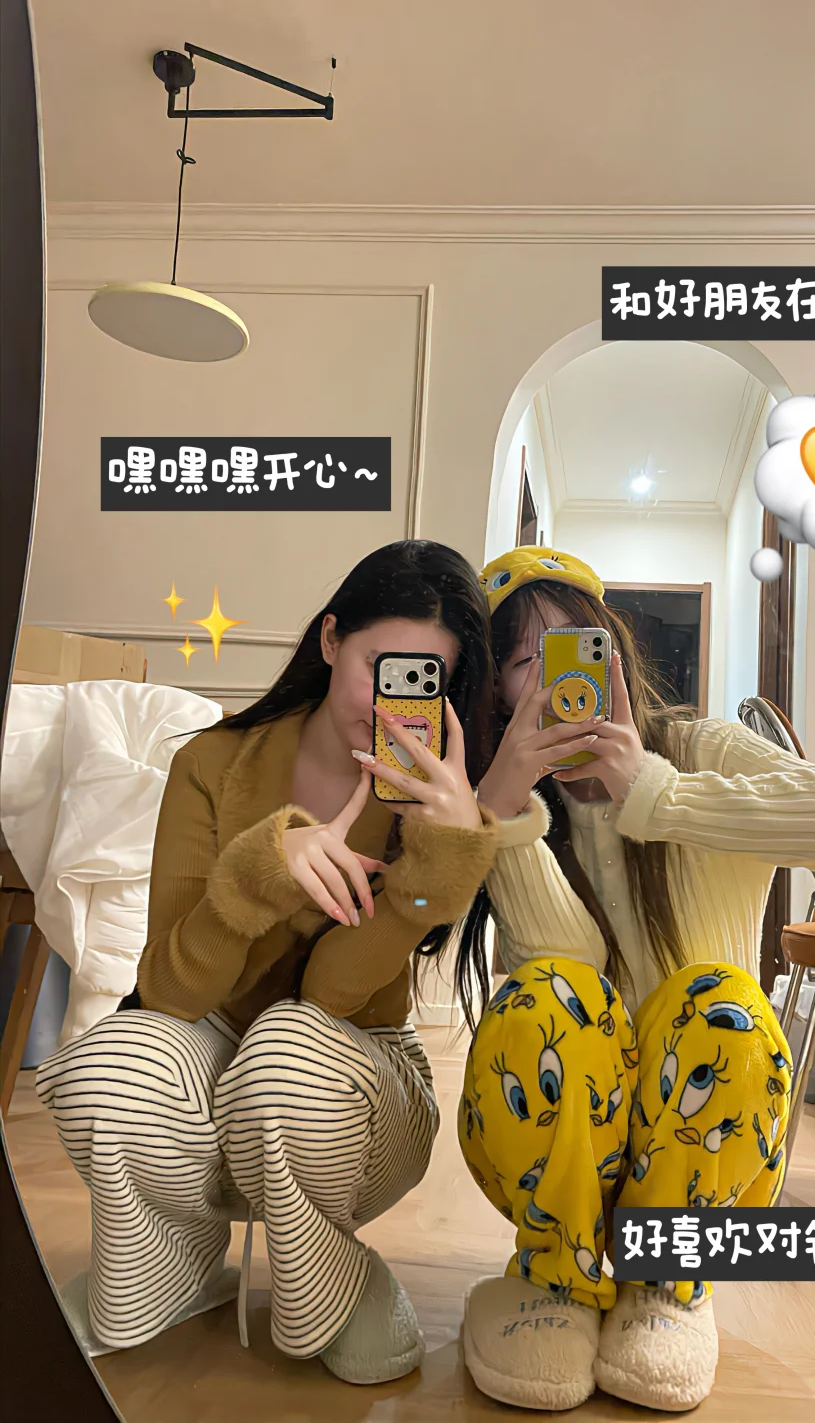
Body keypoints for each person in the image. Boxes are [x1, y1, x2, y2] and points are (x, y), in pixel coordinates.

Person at [37, 540, 502, 1386]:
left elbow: (331, 992)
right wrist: (257, 875)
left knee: (287, 1053)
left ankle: (333, 1273)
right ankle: (169, 1263)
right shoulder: (211, 764)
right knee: (109, 1068)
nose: (393, 702)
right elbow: (168, 992)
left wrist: (437, 867)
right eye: (378, 667)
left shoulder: (433, 807)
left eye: (424, 679)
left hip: (354, 1072)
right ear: (329, 640)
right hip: (211, 1041)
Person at [456, 545, 815, 1413]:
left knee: (722, 1006)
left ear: (613, 655)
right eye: (522, 661)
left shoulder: (704, 749)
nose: (555, 679)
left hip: (705, 1150)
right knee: (547, 998)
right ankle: (556, 1277)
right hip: (567, 1152)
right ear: (497, 692)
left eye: (577, 648)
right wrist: (503, 808)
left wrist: (655, 792)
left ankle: (667, 1278)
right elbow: (565, 976)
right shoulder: (501, 799)